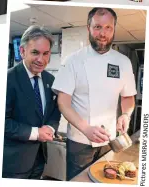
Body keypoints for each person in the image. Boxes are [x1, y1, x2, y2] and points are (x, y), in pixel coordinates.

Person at [52, 7, 137, 181]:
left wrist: (126, 115)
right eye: (97, 27)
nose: (103, 33)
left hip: (109, 140)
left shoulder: (123, 62)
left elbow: (128, 97)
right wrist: (86, 129)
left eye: (108, 28)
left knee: (105, 180)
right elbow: (63, 102)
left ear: (114, 29)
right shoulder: (73, 60)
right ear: (88, 28)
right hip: (79, 142)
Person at [2, 25, 61, 179]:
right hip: (13, 164)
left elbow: (55, 111)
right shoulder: (7, 79)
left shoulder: (50, 79)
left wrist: (50, 127)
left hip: (39, 159)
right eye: (35, 52)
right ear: (22, 52)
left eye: (46, 54)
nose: (41, 60)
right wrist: (36, 133)